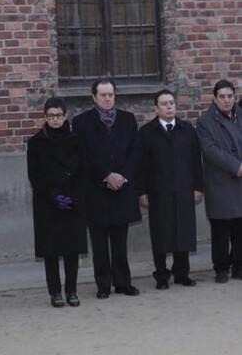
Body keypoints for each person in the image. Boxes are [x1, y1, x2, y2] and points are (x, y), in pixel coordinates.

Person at [72, 78, 141, 299]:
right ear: (93, 97)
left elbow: (134, 152)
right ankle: (103, 284)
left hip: (122, 187)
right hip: (96, 189)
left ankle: (123, 282)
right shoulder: (81, 123)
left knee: (121, 240)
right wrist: (106, 175)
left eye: (111, 94)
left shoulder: (128, 120)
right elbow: (83, 155)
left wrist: (121, 176)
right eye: (103, 95)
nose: (107, 99)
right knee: (99, 242)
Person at [137, 90, 204, 289]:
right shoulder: (147, 133)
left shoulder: (187, 130)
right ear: (156, 108)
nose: (169, 107)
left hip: (184, 189)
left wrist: (198, 187)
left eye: (172, 103)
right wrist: (141, 191)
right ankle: (161, 275)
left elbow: (196, 162)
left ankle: (182, 273)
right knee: (160, 233)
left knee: (183, 231)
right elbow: (140, 166)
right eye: (164, 104)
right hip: (159, 192)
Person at [27, 97, 88, 308]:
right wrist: (53, 196)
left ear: (65, 116)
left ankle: (72, 290)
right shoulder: (36, 143)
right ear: (45, 117)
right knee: (51, 251)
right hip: (48, 204)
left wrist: (74, 196)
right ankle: (55, 292)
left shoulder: (77, 140)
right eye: (51, 116)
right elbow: (34, 176)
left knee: (72, 250)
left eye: (59, 115)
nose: (55, 119)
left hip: (73, 201)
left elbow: (83, 172)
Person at [196, 79, 242, 283]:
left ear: (235, 97)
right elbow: (210, 150)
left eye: (230, 96)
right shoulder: (205, 122)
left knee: (240, 229)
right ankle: (221, 268)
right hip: (221, 181)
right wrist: (236, 166)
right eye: (222, 97)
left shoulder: (240, 116)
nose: (226, 100)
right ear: (215, 99)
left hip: (240, 181)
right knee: (221, 229)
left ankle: (239, 266)